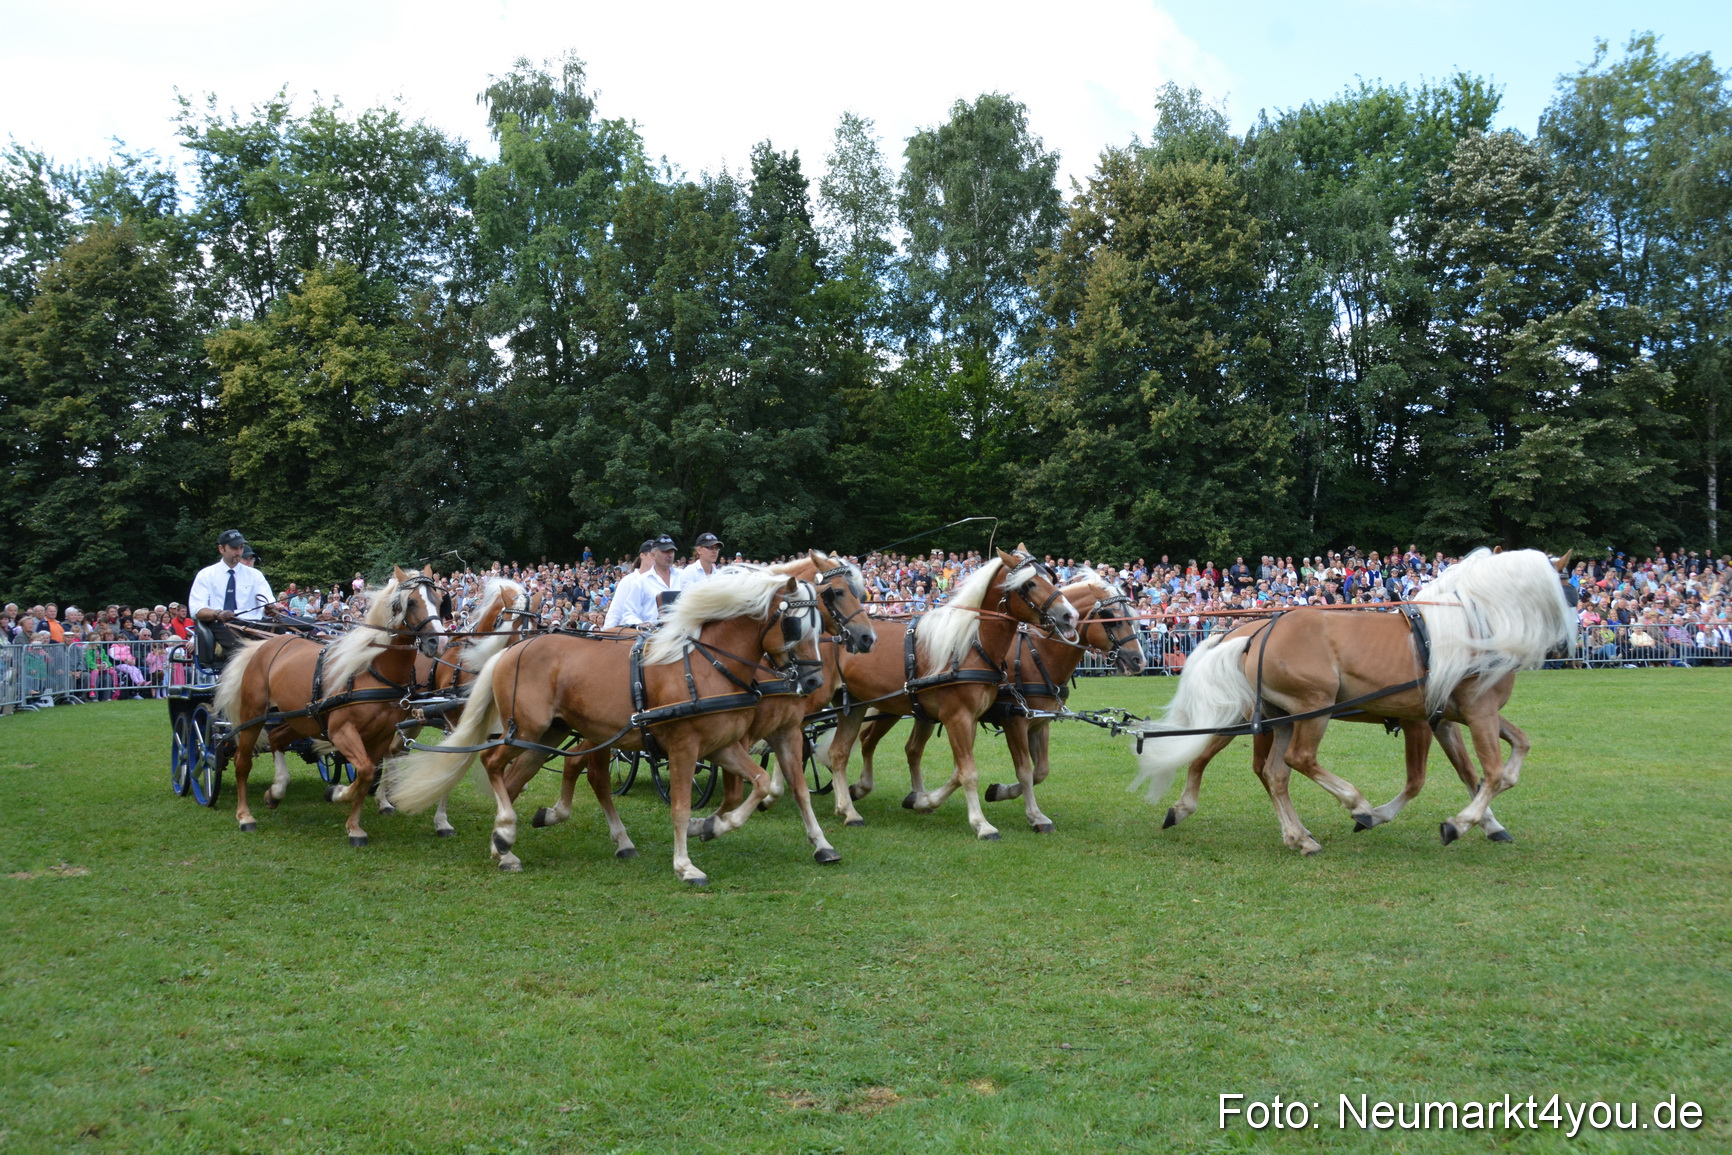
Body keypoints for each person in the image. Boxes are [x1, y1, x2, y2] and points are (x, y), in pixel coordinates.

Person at [187, 529, 277, 661]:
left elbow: (267, 602)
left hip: (253, 623)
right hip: (222, 625)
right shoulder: (206, 575)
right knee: (234, 644)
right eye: (234, 548)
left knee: (281, 630)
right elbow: (197, 609)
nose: (239, 552)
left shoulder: (255, 575)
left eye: (241, 548)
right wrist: (217, 614)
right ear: (221, 549)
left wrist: (271, 609)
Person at [603, 535, 682, 629]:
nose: (669, 555)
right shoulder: (634, 581)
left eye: (671, 551)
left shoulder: (684, 576)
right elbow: (618, 612)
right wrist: (607, 634)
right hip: (650, 635)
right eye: (664, 551)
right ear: (649, 555)